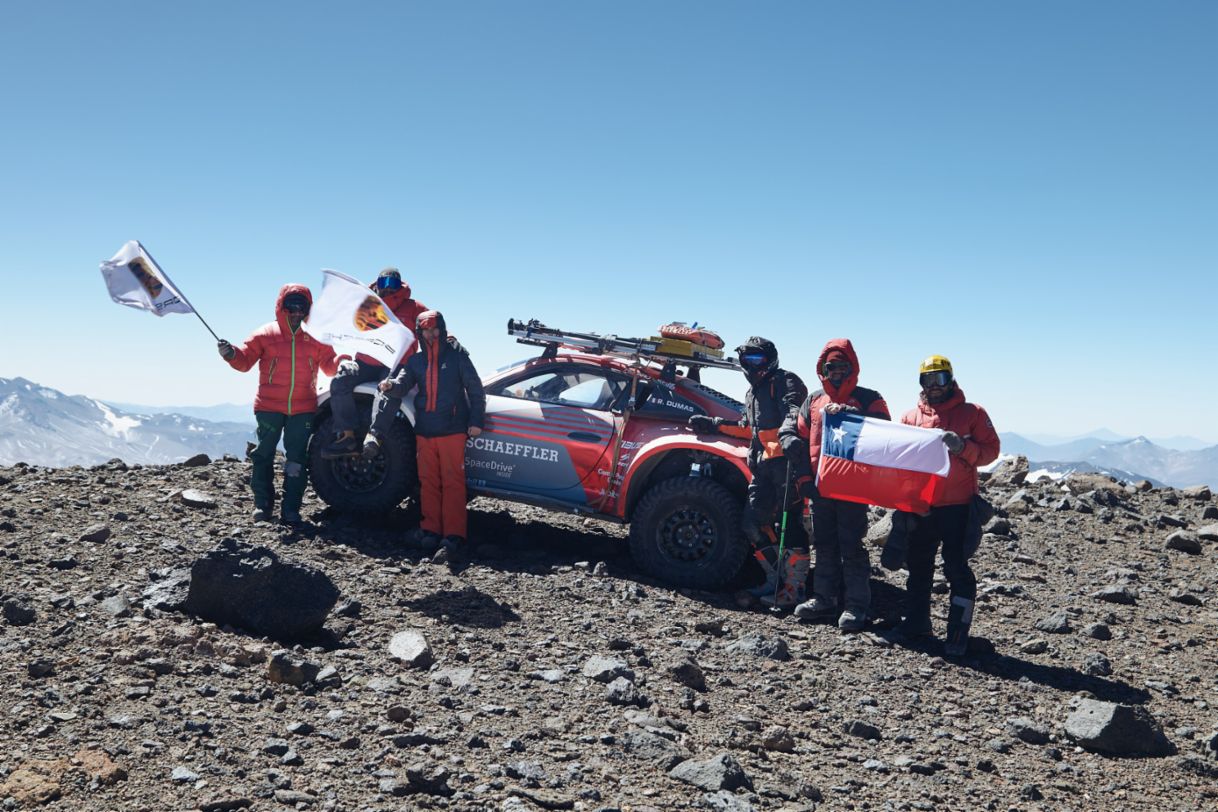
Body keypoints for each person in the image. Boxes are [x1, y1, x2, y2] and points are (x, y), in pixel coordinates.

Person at [688, 337, 809, 607]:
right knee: (752, 524)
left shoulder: (785, 381)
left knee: (791, 529)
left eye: (757, 360)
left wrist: (789, 436)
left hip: (787, 465)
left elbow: (794, 412)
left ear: (771, 359)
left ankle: (795, 589)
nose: (752, 366)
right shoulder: (753, 392)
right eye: (747, 360)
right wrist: (714, 425)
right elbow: (747, 427)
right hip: (763, 468)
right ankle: (776, 578)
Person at [780, 339, 890, 631]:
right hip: (819, 487)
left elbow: (886, 436)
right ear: (823, 369)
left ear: (853, 368)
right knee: (825, 545)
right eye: (831, 367)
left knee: (851, 546)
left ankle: (856, 607)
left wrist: (853, 417)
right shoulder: (814, 400)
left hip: (853, 488)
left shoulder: (869, 399)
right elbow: (795, 431)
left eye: (843, 366)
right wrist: (802, 474)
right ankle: (824, 600)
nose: (837, 372)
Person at [895, 355, 1000, 656]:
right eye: (928, 380)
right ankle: (916, 624)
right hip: (922, 506)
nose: (934, 386)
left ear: (951, 379)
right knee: (918, 567)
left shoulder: (973, 414)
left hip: (958, 506)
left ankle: (957, 632)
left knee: (956, 567)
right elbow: (899, 460)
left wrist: (963, 447)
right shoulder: (909, 418)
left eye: (939, 379)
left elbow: (991, 451)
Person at [217, 285, 341, 524]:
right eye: (291, 306)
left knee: (296, 460)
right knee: (263, 454)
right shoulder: (265, 334)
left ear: (307, 309)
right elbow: (244, 361)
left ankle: (291, 510)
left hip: (302, 408)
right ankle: (262, 506)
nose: (296, 312)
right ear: (282, 307)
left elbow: (329, 364)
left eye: (301, 307)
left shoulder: (316, 336)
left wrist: (343, 361)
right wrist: (230, 354)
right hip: (268, 407)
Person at [379, 310, 485, 570]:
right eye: (425, 330)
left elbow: (476, 389)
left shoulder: (458, 357)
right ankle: (430, 531)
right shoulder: (416, 362)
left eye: (434, 329)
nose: (430, 334)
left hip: (453, 430)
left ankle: (453, 536)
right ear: (419, 332)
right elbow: (403, 384)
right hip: (425, 431)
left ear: (442, 328)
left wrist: (476, 422)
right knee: (428, 482)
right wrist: (391, 386)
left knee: (453, 482)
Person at [321, 268, 429, 458]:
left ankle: (375, 436)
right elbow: (349, 326)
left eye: (393, 284)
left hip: (395, 363)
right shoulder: (367, 304)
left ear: (400, 285)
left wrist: (449, 338)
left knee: (389, 388)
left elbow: (431, 323)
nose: (388, 289)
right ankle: (347, 437)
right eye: (383, 283)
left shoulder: (414, 308)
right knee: (340, 381)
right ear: (377, 284)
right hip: (365, 361)